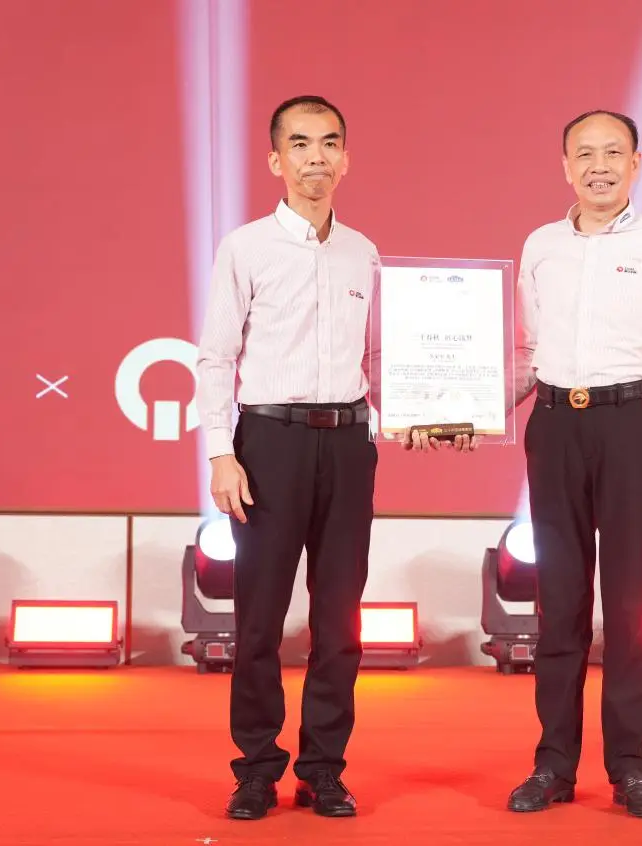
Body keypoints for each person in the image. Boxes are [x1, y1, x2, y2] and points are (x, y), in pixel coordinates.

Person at [472, 109, 642, 818]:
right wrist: (469, 411)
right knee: (559, 606)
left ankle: (629, 768)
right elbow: (528, 353)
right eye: (584, 154)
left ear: (635, 163)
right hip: (554, 427)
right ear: (565, 166)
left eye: (612, 153)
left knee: (630, 609)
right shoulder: (540, 246)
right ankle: (553, 765)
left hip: (635, 426)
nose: (598, 166)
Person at [196, 95, 380, 822]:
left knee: (340, 620)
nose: (315, 157)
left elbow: (378, 358)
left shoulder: (364, 252)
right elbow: (216, 357)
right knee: (259, 622)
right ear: (276, 160)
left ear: (346, 158)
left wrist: (424, 417)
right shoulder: (245, 248)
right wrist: (221, 452)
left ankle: (323, 770)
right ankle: (255, 769)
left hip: (349, 444)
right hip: (268, 443)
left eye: (329, 143)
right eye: (299, 144)